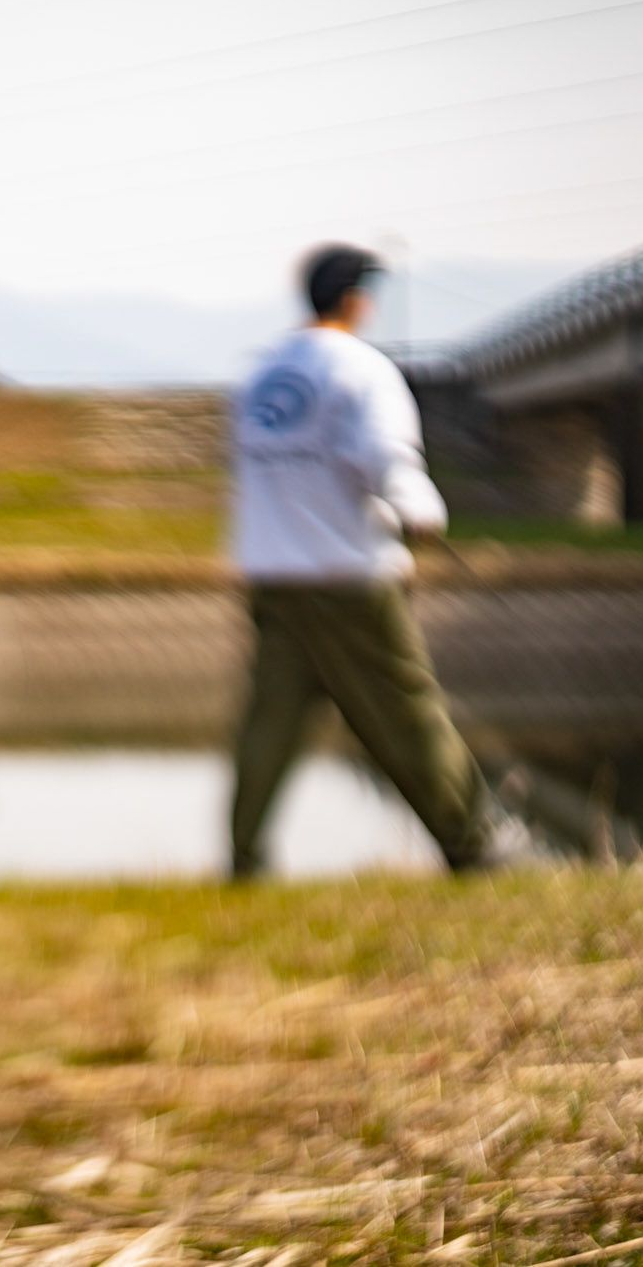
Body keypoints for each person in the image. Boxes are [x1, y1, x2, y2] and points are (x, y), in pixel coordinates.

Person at [227, 243, 497, 876]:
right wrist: (422, 514)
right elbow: (388, 457)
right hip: (350, 578)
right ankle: (474, 847)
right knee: (407, 714)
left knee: (271, 723)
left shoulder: (261, 375)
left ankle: (244, 859)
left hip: (273, 577)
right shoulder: (361, 368)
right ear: (354, 299)